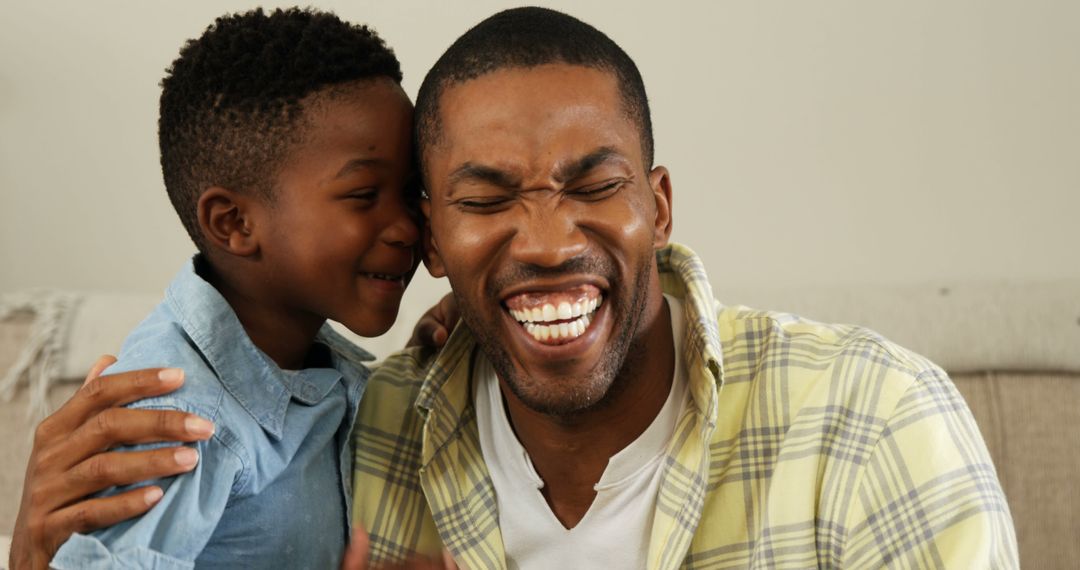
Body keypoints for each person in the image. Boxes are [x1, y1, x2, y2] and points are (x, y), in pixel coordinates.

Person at [11, 7, 1019, 569]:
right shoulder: (338, 426)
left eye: (595, 185)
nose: (544, 241)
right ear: (439, 238)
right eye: (482, 201)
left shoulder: (876, 422)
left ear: (659, 207)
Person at [31, 8, 428, 570]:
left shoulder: (328, 374)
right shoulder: (178, 420)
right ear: (234, 224)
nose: (407, 226)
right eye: (365, 194)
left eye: (412, 191)